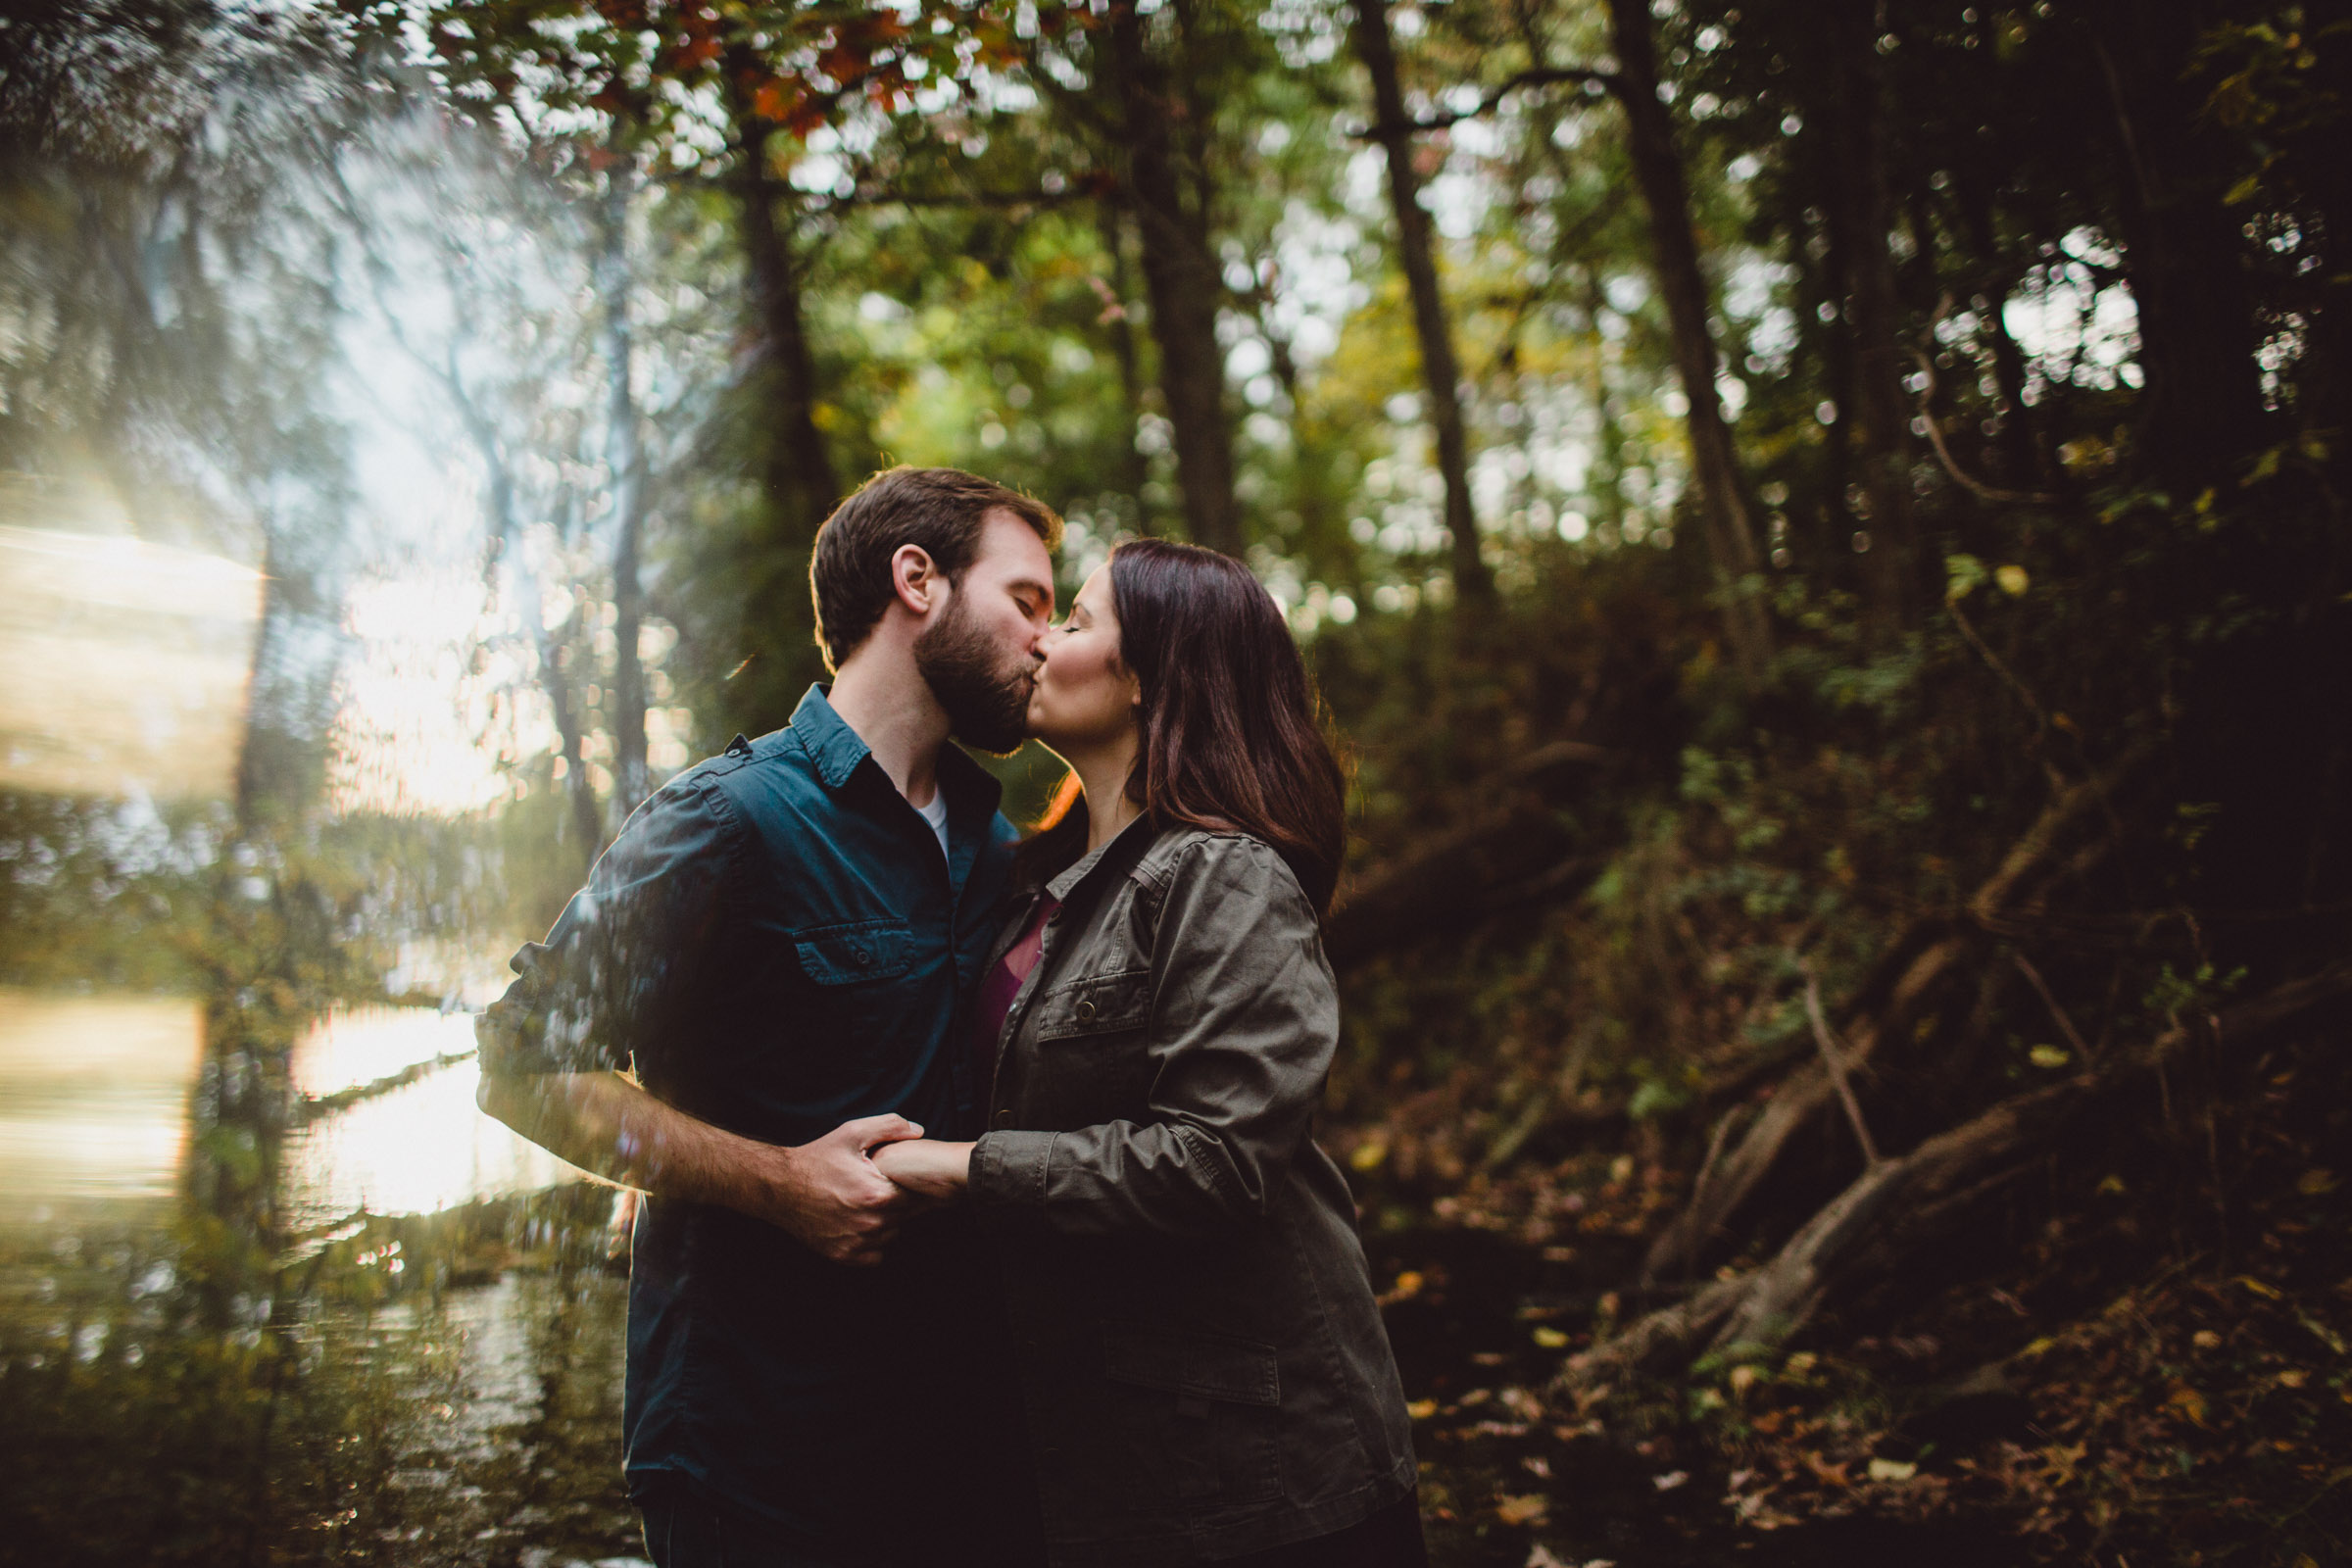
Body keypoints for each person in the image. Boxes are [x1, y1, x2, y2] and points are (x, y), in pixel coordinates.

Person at [473, 466, 1058, 1568]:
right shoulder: (724, 821)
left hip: (967, 1441)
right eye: (1026, 598)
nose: (1046, 636)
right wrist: (781, 1184)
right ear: (918, 581)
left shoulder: (994, 840)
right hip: (761, 1454)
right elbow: (519, 1071)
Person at [874, 539, 1426, 1567]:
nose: (1039, 638)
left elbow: (1213, 1163)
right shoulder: (1031, 889)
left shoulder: (1226, 875)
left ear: (1150, 678)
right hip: (1096, 1453)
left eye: (1076, 621)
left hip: (1265, 1475)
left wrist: (957, 1168)